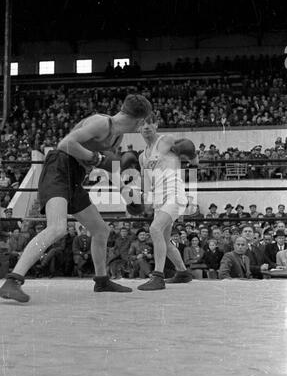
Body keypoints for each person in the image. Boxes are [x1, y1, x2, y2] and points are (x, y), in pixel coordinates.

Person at [0, 94, 152, 302]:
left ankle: (102, 280)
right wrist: (96, 158)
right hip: (59, 168)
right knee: (57, 227)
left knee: (101, 230)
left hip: (75, 176)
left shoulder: (117, 137)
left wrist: (127, 195)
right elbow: (66, 144)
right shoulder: (101, 123)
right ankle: (12, 280)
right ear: (139, 120)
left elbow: (110, 168)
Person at [136, 112, 198, 290]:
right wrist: (145, 199)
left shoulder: (166, 140)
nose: (146, 126)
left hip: (174, 194)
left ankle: (158, 276)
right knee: (164, 238)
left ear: (156, 125)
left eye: (150, 123)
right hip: (158, 198)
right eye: (142, 124)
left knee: (155, 229)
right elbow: (146, 180)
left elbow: (189, 153)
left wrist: (193, 158)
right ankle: (182, 273)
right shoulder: (142, 156)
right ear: (138, 128)